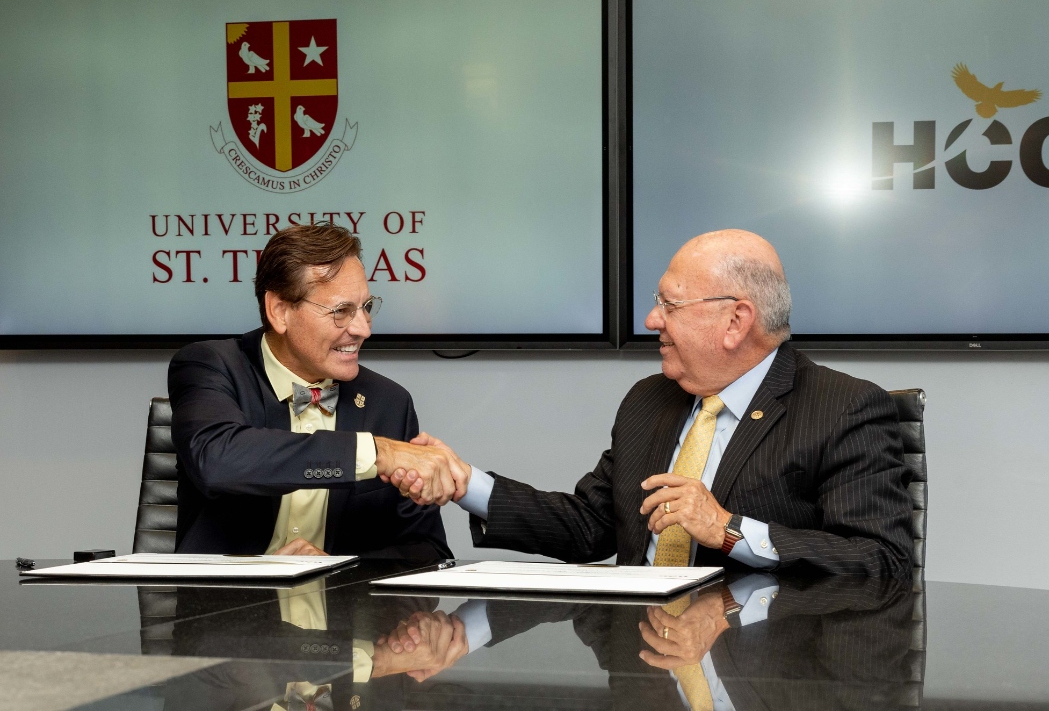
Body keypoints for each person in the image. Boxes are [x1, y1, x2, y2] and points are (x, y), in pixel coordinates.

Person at [396, 229, 914, 577]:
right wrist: (467, 483)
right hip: (639, 660)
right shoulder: (651, 400)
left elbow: (881, 559)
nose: (651, 320)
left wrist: (729, 531)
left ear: (736, 320)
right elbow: (590, 526)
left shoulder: (844, 408)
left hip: (762, 673)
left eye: (669, 304)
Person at [168, 223, 466, 557]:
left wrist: (340, 571)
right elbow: (217, 460)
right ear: (280, 311)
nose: (363, 329)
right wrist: (376, 453)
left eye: (366, 307)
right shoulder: (212, 366)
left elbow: (428, 549)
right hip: (222, 605)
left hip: (338, 607)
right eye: (341, 311)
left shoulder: (389, 402)